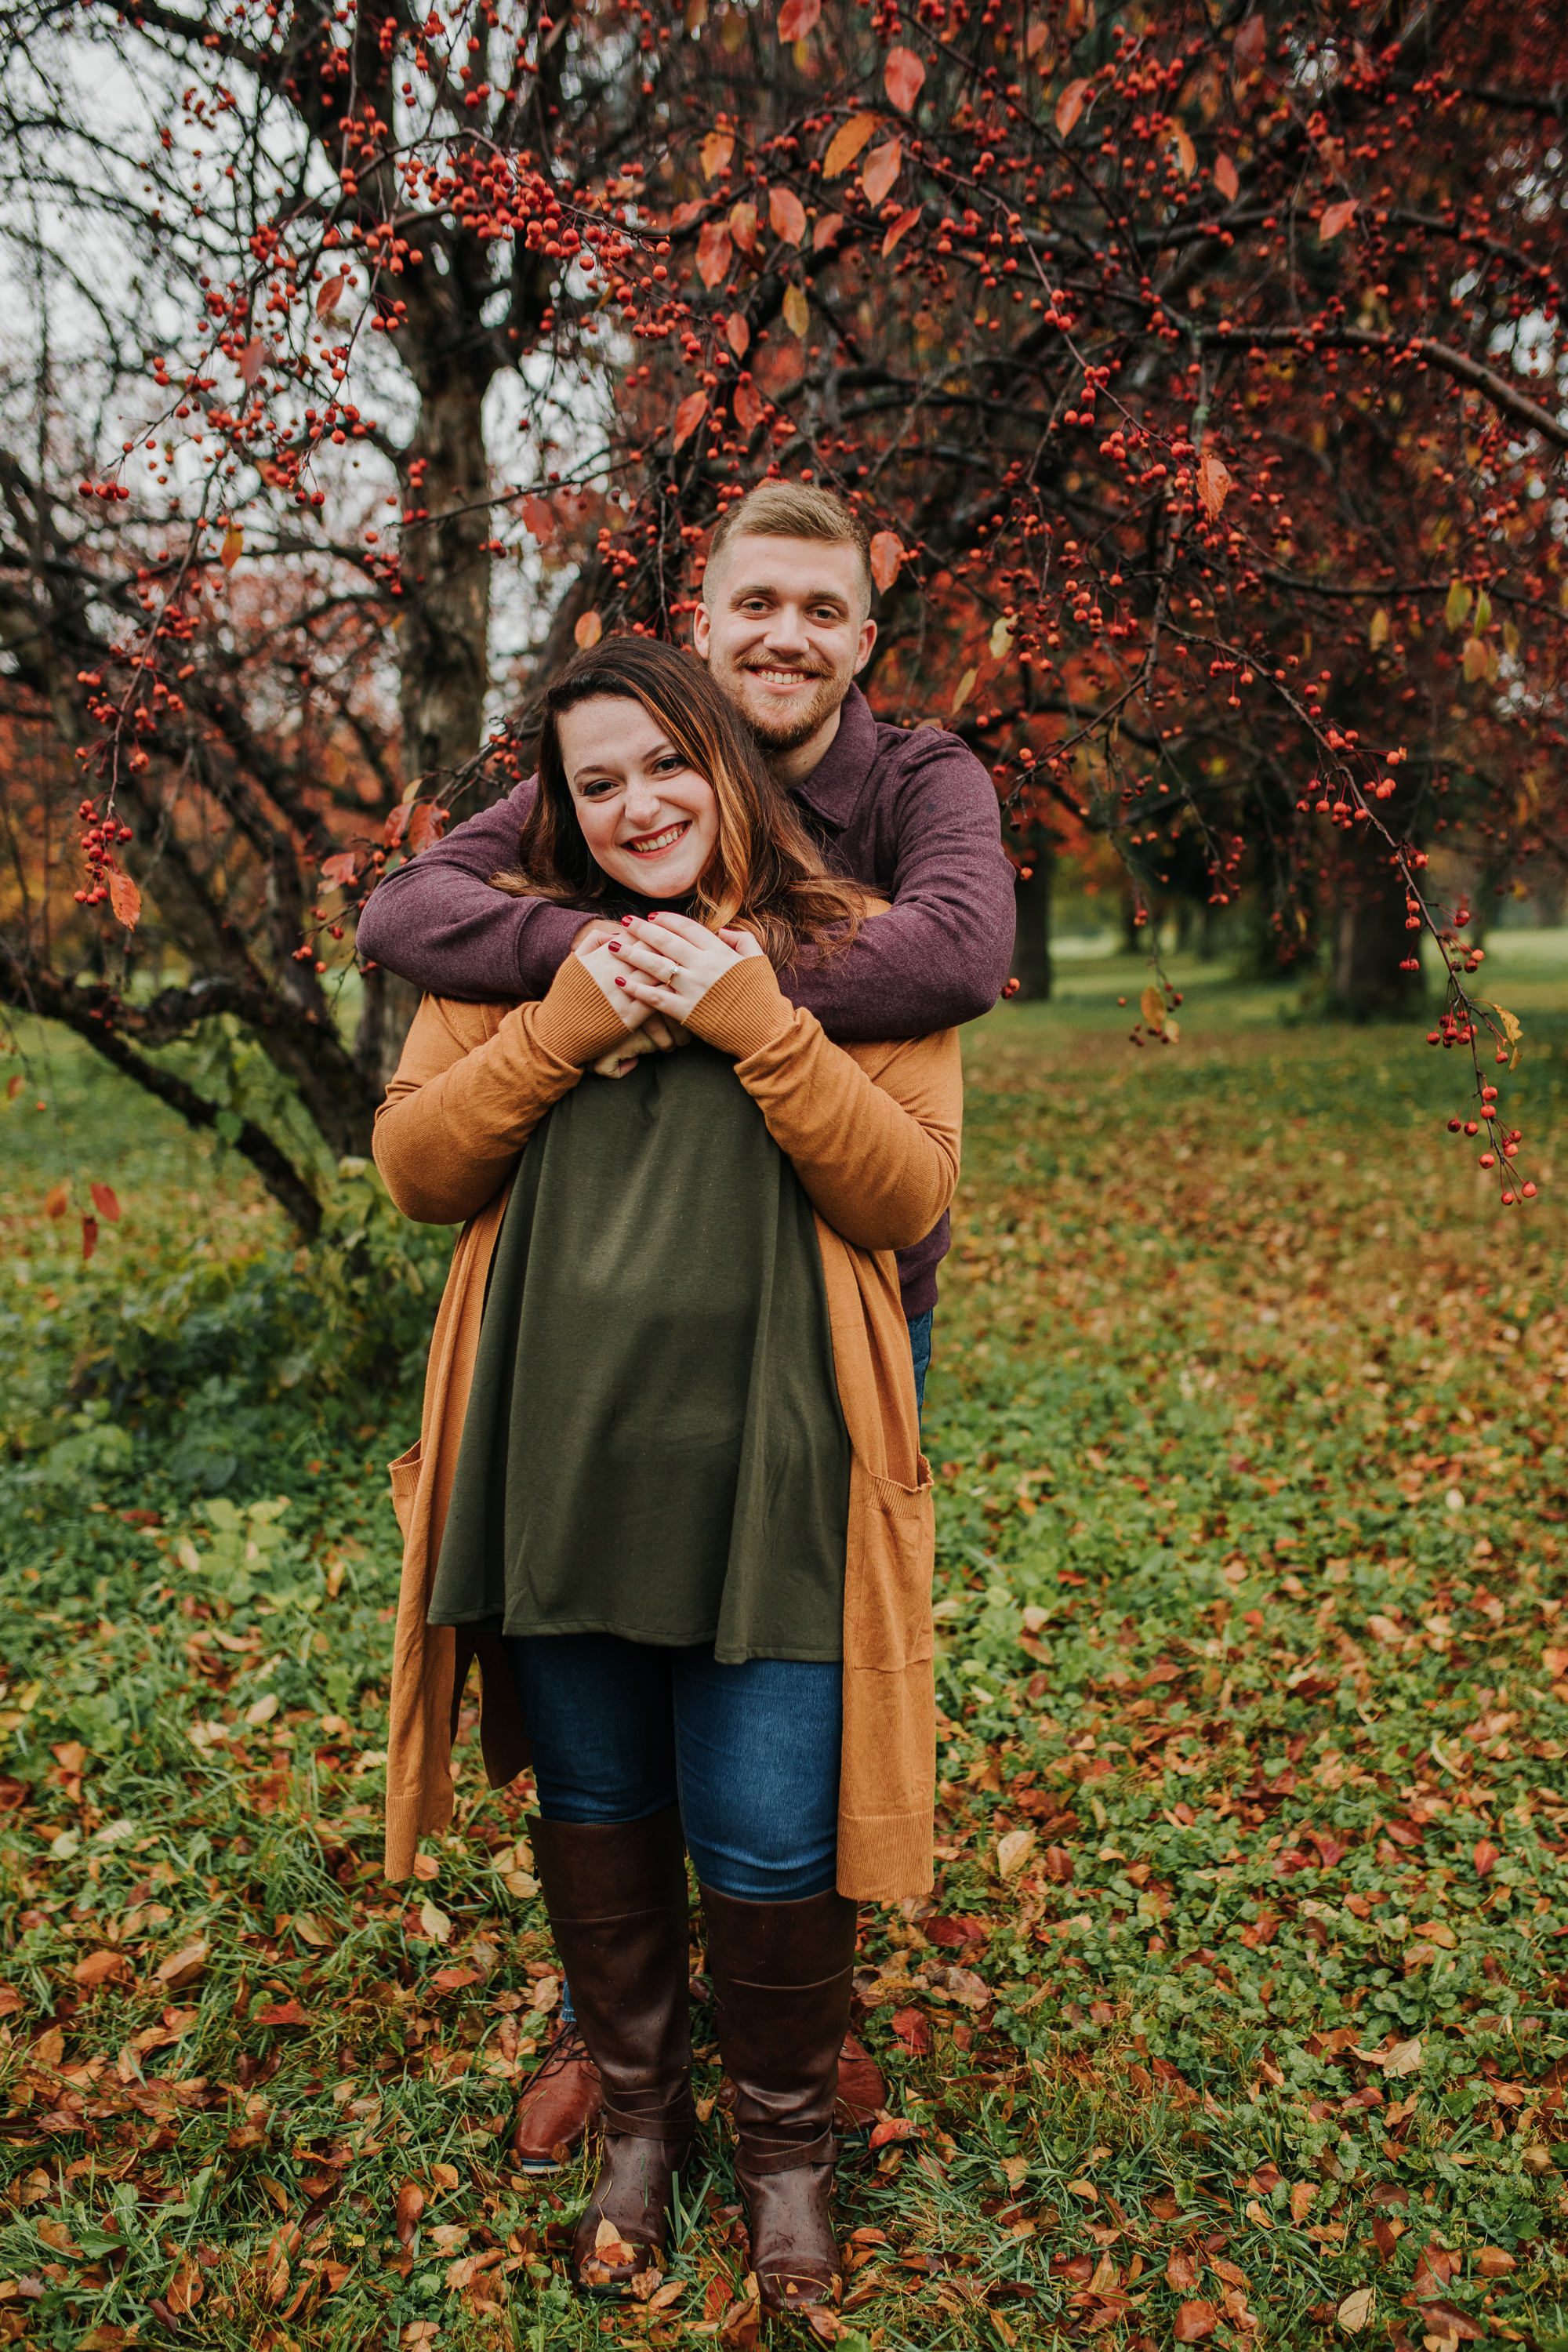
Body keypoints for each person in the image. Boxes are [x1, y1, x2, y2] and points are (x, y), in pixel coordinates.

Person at [355, 482, 1016, 2169]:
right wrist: (594, 974)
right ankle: (615, 2041)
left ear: (862, 638)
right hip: (572, 1382)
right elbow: (407, 927)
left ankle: (804, 2039)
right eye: (755, 607)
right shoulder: (593, 793)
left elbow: (954, 961)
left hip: (838, 1328)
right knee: (596, 1726)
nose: (787, 635)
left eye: (823, 609)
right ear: (703, 633)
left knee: (784, 1697)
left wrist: (745, 992)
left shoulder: (916, 789)